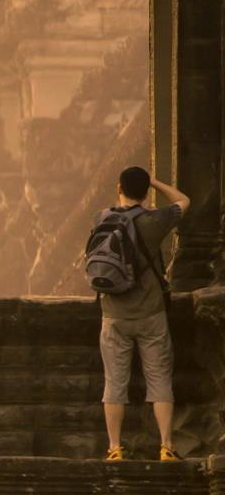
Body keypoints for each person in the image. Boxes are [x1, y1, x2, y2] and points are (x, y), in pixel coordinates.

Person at [95, 164, 188, 460]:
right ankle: (166, 446)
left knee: (114, 383)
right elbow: (184, 201)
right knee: (160, 379)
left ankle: (114, 448)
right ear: (145, 192)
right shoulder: (154, 220)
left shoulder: (102, 218)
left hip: (113, 313)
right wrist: (157, 182)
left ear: (119, 188)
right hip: (150, 313)